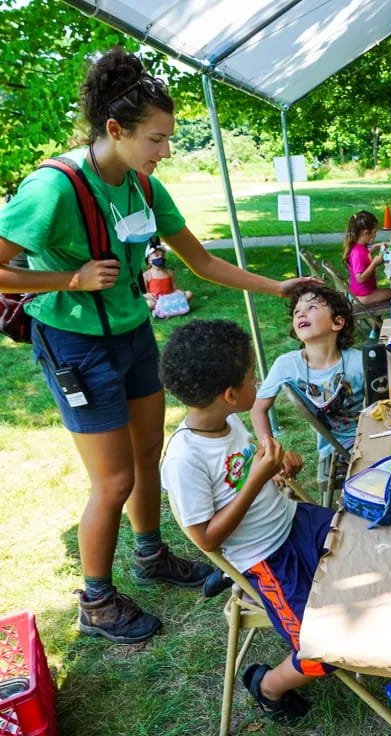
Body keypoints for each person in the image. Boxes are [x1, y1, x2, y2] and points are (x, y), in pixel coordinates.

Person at [0, 47, 316, 644]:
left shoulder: (144, 186)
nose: (166, 152)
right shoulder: (54, 188)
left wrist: (278, 286)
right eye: (157, 139)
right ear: (115, 130)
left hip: (131, 331)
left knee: (148, 453)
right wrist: (67, 278)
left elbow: (198, 260)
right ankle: (96, 602)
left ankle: (151, 554)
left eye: (169, 138)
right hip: (74, 340)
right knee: (113, 481)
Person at [160, 319, 335, 723]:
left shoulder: (228, 420)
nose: (259, 380)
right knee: (323, 647)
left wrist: (274, 467)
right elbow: (205, 539)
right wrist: (257, 480)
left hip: (295, 520)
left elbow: (239, 471)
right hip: (267, 557)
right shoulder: (185, 459)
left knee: (365, 544)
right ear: (231, 394)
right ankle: (269, 685)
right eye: (253, 375)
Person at [251, 284, 363, 490]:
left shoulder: (359, 361)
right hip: (337, 449)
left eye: (311, 307)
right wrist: (272, 456)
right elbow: (258, 409)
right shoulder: (286, 365)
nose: (301, 312)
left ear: (337, 322)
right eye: (296, 312)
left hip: (369, 437)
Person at [343, 210, 391, 305]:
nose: (375, 236)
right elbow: (360, 278)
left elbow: (364, 255)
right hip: (364, 296)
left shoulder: (359, 247)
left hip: (362, 292)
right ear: (366, 232)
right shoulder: (358, 252)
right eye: (374, 232)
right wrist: (375, 263)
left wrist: (374, 248)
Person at [142, 239, 193, 312]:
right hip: (157, 300)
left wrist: (179, 292)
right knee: (149, 304)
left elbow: (175, 288)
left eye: (162, 255)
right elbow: (144, 293)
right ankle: (163, 308)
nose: (160, 257)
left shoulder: (169, 272)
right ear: (149, 260)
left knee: (188, 293)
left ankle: (171, 306)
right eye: (156, 255)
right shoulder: (147, 274)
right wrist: (149, 295)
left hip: (170, 298)